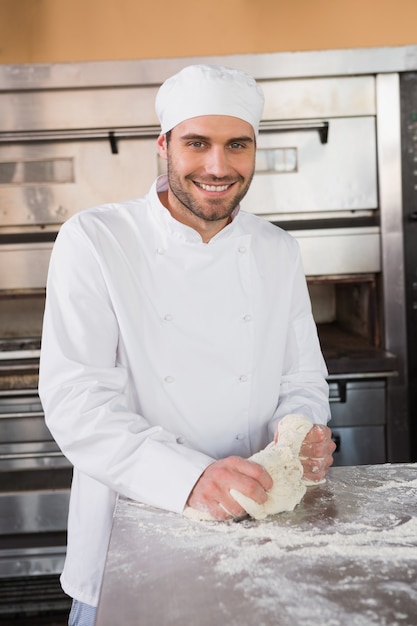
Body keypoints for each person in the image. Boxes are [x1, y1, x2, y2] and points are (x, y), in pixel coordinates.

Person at [38, 64, 336, 626]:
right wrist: (189, 478)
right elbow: (77, 402)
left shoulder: (276, 249)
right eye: (197, 143)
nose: (218, 166)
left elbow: (301, 378)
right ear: (164, 146)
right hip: (133, 534)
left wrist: (303, 431)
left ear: (254, 149)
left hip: (257, 526)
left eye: (236, 145)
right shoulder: (97, 239)